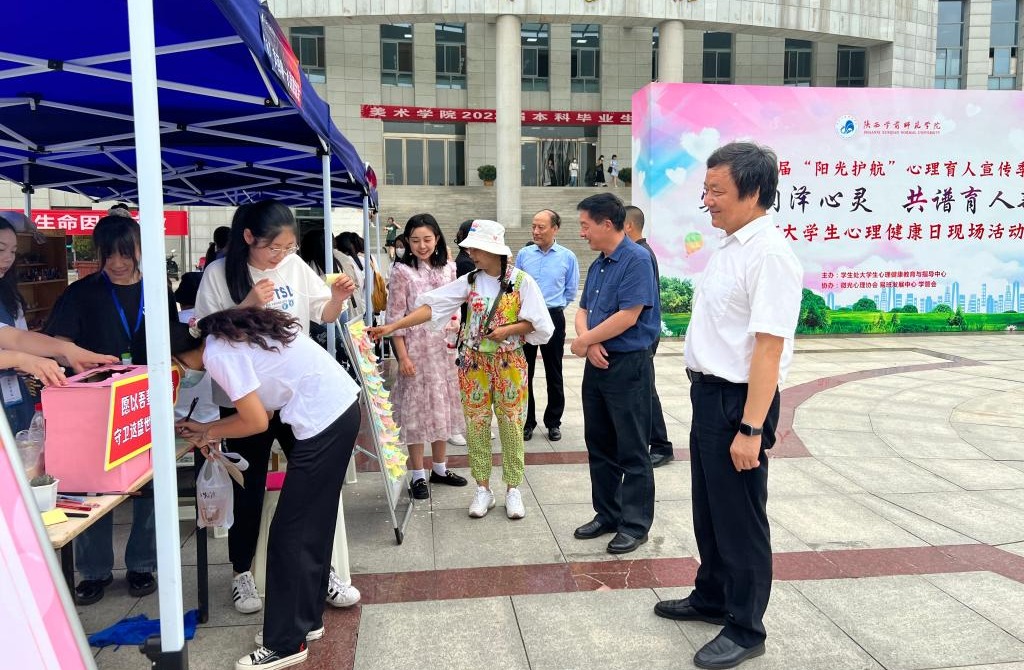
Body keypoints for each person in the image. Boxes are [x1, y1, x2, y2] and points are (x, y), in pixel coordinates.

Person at [654, 142, 802, 670]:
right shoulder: (731, 246)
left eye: (717, 191)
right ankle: (712, 595)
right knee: (711, 509)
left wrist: (751, 428)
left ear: (754, 191)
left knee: (740, 518)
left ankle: (745, 626)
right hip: (709, 395)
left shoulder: (770, 254)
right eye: (706, 189)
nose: (708, 201)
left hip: (739, 403)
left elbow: (769, 348)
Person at [194, 199, 360, 615]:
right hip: (243, 400)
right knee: (246, 487)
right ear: (248, 237)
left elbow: (323, 314)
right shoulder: (219, 273)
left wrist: (337, 298)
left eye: (288, 247)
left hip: (292, 396)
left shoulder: (294, 266)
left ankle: (320, 573)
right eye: (273, 248)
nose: (281, 255)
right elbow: (206, 333)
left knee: (313, 485)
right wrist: (248, 302)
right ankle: (242, 572)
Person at [174, 307, 360, 670]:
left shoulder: (218, 355)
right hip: (336, 413)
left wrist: (209, 431)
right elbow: (266, 412)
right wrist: (209, 430)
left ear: (177, 356)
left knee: (290, 535)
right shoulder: (226, 340)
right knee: (311, 528)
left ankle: (285, 643)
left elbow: (257, 422)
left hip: (325, 422)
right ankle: (306, 621)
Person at [370, 220, 553, 519]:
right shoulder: (469, 281)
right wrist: (392, 327)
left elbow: (540, 325)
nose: (471, 254)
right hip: (473, 365)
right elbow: (432, 308)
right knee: (477, 426)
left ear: (493, 250)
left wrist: (507, 330)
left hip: (509, 365)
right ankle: (483, 489)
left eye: (476, 249)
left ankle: (513, 489)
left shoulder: (522, 282)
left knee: (511, 426)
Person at [44, 214, 180, 605]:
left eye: (125, 253)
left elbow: (172, 340)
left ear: (140, 249)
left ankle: (142, 563)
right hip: (95, 406)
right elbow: (60, 344)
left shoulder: (158, 291)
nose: (117, 263)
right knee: (92, 486)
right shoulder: (81, 293)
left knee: (149, 485)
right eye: (109, 255)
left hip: (144, 401)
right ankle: (93, 570)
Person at [570, 192, 659, 556]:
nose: (582, 233)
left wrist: (586, 341)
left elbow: (629, 315)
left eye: (585, 225)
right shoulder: (599, 264)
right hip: (598, 362)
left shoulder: (637, 259)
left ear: (607, 224)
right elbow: (583, 310)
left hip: (627, 365)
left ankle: (635, 525)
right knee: (600, 443)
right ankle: (607, 513)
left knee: (632, 447)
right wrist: (589, 342)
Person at [385, 214, 467, 499]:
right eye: (415, 240)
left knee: (442, 408)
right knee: (417, 414)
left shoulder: (449, 269)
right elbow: (394, 317)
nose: (422, 246)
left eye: (427, 239)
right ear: (407, 242)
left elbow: (456, 306)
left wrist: (456, 328)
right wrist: (403, 357)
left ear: (437, 239)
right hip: (416, 353)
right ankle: (418, 474)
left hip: (444, 352)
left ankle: (440, 468)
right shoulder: (402, 272)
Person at [514, 209, 578, 442]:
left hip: (553, 316)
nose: (536, 231)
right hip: (526, 319)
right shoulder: (524, 254)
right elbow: (516, 285)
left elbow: (570, 290)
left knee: (554, 371)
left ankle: (553, 422)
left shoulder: (567, 257)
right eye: (534, 226)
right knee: (525, 371)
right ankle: (527, 421)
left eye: (541, 227)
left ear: (555, 229)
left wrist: (552, 308)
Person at [623, 206, 674, 468]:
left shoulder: (640, 254)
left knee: (646, 392)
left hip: (643, 335)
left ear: (628, 226)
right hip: (643, 335)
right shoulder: (640, 251)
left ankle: (661, 445)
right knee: (643, 390)